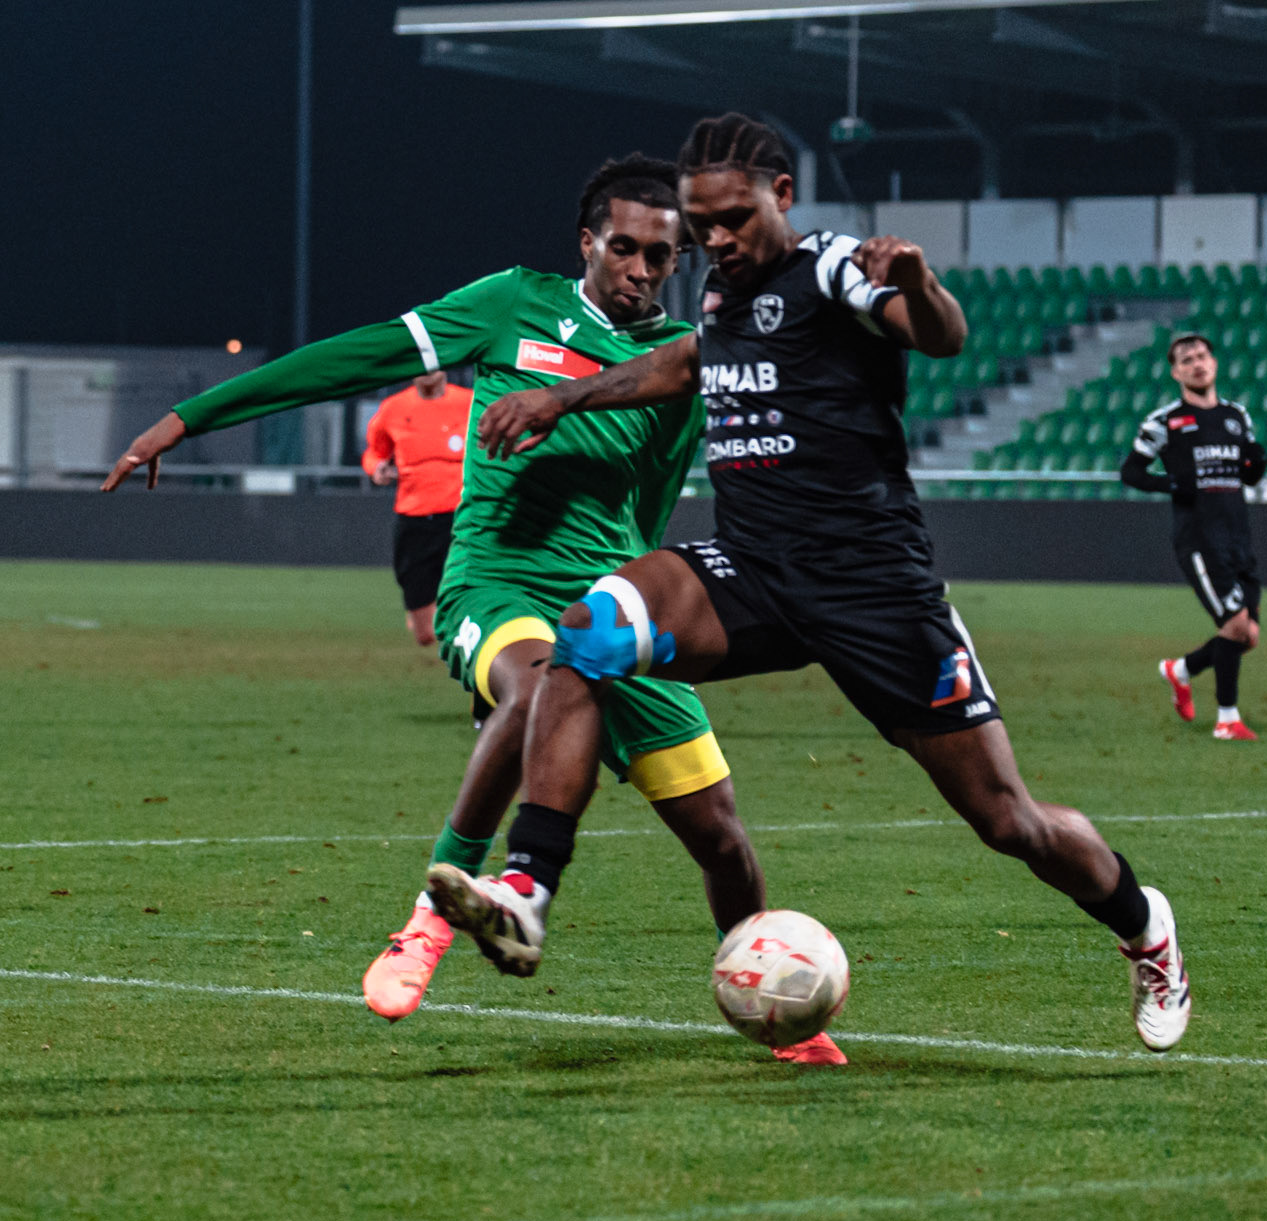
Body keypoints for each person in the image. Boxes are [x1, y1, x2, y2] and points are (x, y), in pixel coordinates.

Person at [436, 113, 1192, 1055]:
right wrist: (562, 395)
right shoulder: (721, 291)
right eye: (698, 223)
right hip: (750, 570)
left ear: (780, 198)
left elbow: (937, 334)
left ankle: (1141, 924)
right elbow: (686, 362)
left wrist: (913, 277)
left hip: (876, 595)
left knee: (1008, 821)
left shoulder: (831, 269)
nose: (711, 239)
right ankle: (529, 889)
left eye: (728, 219)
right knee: (585, 635)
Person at [101, 156, 833, 1057]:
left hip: (610, 600)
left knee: (721, 840)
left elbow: (650, 502)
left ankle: (777, 1018)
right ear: (586, 242)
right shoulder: (510, 305)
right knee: (531, 693)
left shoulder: (678, 358)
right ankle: (428, 924)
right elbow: (359, 354)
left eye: (662, 255)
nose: (643, 270)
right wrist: (190, 416)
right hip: (497, 581)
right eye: (626, 248)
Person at [1120, 332, 1266, 741]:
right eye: (1187, 360)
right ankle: (1227, 720)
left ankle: (1180, 670)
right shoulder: (1164, 421)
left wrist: (1257, 465)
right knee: (1237, 627)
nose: (1197, 363)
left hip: (1239, 536)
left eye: (1202, 356)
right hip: (1199, 540)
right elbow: (1130, 472)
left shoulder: (1237, 416)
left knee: (1247, 636)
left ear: (1214, 363)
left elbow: (1248, 474)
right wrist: (1171, 484)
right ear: (1175, 372)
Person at [361, 368, 474, 647]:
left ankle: (468, 652)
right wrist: (377, 468)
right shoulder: (393, 409)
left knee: (468, 601)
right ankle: (424, 615)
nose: (425, 369)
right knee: (425, 636)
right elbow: (374, 451)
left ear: (445, 366)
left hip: (462, 520)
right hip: (415, 520)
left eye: (431, 362)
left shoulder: (472, 402)